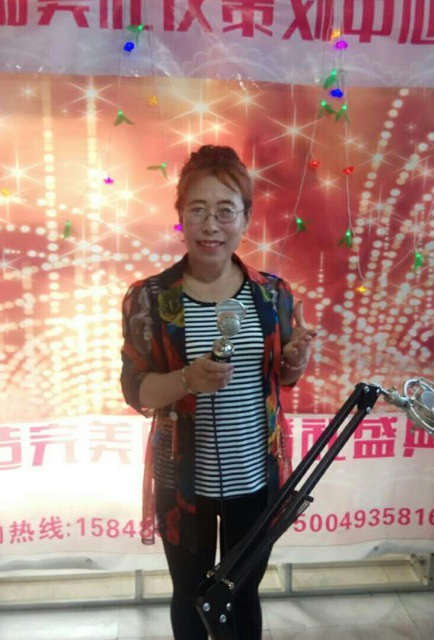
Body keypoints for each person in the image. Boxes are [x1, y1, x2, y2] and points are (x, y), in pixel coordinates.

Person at [120, 144, 315, 640]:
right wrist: (187, 379)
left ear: (245, 219)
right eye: (198, 210)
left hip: (256, 476)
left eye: (226, 211)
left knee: (243, 595)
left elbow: (280, 378)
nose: (211, 225)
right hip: (183, 481)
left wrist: (295, 362)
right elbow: (136, 390)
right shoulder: (150, 298)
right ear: (180, 217)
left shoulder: (272, 293)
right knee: (191, 596)